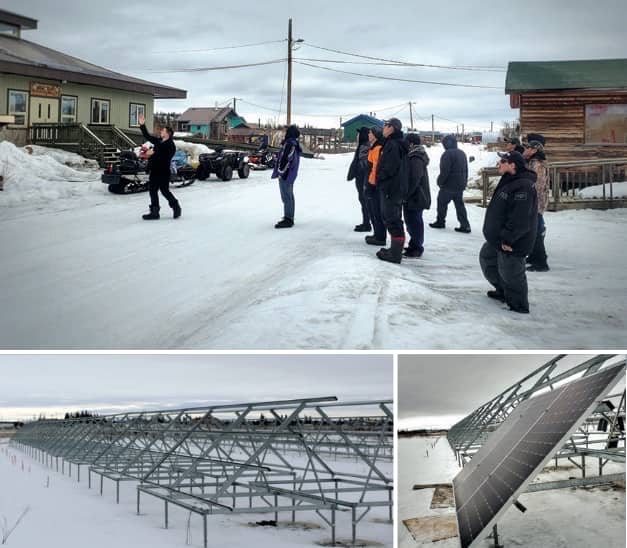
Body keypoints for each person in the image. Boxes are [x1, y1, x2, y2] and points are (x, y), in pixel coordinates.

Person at [479, 151, 538, 313]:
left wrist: (508, 239)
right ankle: (503, 291)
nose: (499, 163)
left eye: (503, 161)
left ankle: (519, 305)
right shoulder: (510, 179)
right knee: (487, 258)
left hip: (512, 240)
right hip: (498, 237)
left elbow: (520, 218)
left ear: (513, 165)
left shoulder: (524, 186)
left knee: (511, 272)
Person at [375, 118, 408, 264]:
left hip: (392, 188)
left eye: (385, 125)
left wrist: (380, 179)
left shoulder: (394, 145)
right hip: (394, 188)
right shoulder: (395, 143)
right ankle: (394, 249)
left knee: (392, 219)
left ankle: (395, 254)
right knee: (392, 218)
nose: (383, 128)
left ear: (392, 128)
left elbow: (390, 167)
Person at [138, 113, 180, 220]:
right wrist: (142, 125)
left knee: (165, 191)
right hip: (155, 171)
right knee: (152, 191)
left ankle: (176, 207)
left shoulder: (170, 145)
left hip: (163, 172)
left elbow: (164, 158)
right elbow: (148, 136)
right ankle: (155, 213)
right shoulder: (159, 141)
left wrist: (152, 153)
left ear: (168, 134)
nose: (161, 132)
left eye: (163, 131)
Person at [429, 134, 470, 233]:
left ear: (447, 144)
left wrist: (440, 182)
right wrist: (464, 181)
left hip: (449, 185)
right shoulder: (462, 153)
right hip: (460, 184)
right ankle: (465, 225)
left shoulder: (447, 154)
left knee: (441, 203)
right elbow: (466, 169)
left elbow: (445, 171)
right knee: (459, 205)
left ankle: (440, 222)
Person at [523, 136, 550, 272]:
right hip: (533, 201)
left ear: (534, 150)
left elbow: (537, 185)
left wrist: (528, 198)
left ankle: (541, 261)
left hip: (536, 202)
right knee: (533, 229)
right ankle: (534, 256)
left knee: (537, 230)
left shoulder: (537, 164)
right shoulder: (531, 161)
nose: (525, 149)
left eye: (528, 147)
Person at [403, 133, 431, 257]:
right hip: (416, 195)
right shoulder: (414, 155)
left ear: (411, 144)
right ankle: (414, 244)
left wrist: (406, 194)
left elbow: (414, 178)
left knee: (414, 222)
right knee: (413, 221)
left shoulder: (416, 158)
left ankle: (417, 247)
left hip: (416, 196)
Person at [271, 124, 301, 228]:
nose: (283, 132)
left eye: (285, 131)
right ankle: (289, 217)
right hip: (289, 174)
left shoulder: (290, 144)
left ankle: (288, 219)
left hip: (286, 174)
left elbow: (287, 159)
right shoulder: (292, 143)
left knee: (287, 196)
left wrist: (281, 172)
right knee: (289, 196)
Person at [364, 127, 386, 246]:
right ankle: (377, 233)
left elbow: (375, 168)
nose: (368, 134)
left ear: (375, 135)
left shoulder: (378, 148)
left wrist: (370, 184)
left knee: (376, 211)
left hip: (375, 185)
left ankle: (380, 236)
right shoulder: (374, 147)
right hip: (373, 183)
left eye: (370, 133)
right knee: (373, 210)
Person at [347, 127, 371, 232]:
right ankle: (366, 222)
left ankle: (367, 224)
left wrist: (357, 172)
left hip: (363, 179)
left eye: (359, 134)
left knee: (365, 200)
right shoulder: (363, 146)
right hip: (361, 178)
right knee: (363, 200)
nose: (357, 136)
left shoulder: (365, 146)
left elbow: (364, 164)